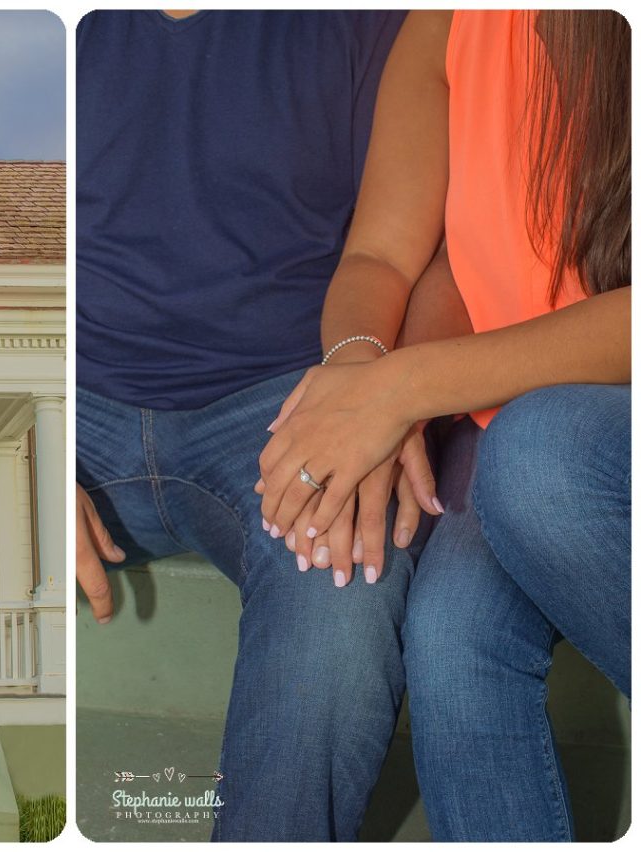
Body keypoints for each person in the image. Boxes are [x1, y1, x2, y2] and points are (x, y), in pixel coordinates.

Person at [256, 10, 629, 841]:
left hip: (568, 437)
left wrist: (403, 392)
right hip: (512, 419)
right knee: (451, 639)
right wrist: (361, 376)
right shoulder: (447, 24)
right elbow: (400, 258)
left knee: (542, 459)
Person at [76, 9, 445, 841]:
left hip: (282, 396)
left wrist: (379, 388)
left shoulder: (377, 23)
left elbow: (415, 247)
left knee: (346, 572)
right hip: (69, 397)